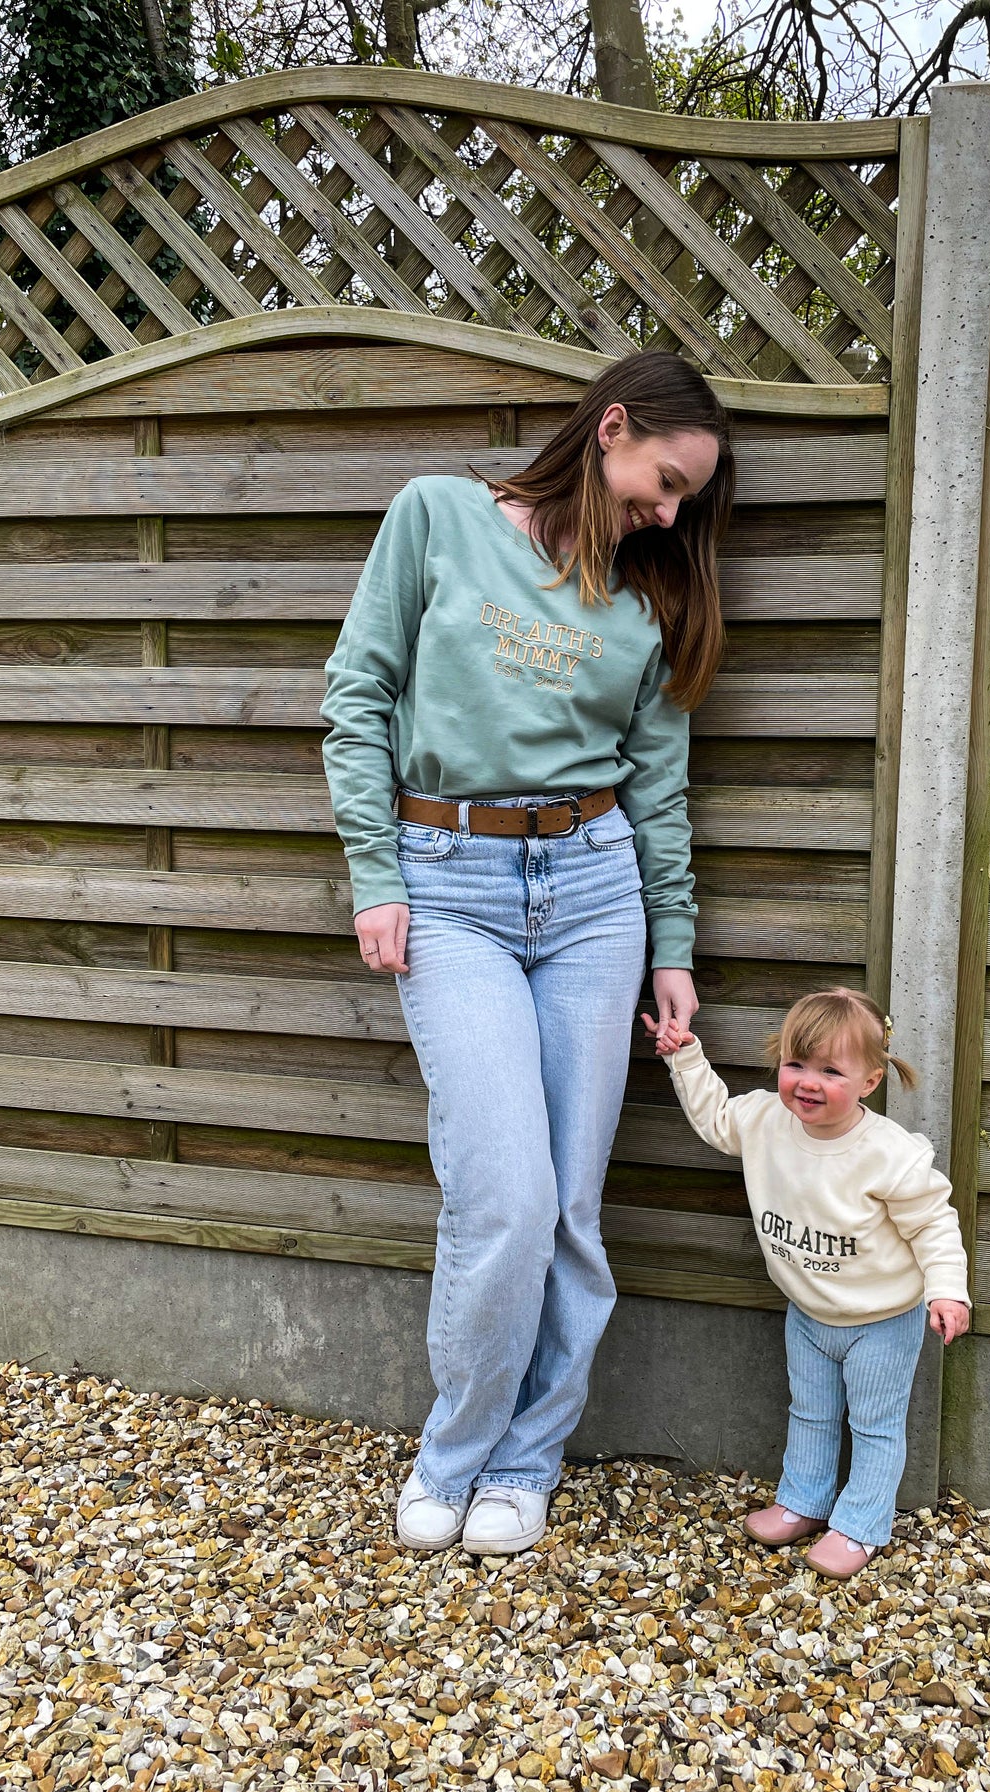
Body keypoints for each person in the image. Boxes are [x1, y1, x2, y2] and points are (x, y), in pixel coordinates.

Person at [321, 352, 734, 1556]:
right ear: (609, 429)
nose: (666, 516)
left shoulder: (648, 599)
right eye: (662, 484)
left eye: (682, 506)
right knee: (502, 1193)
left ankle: (525, 1461)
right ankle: (452, 1452)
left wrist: (674, 944)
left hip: (596, 894)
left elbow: (658, 788)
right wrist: (374, 873)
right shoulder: (435, 515)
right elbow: (358, 695)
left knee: (570, 1208)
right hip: (447, 886)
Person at [651, 987, 970, 1578]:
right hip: (808, 1312)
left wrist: (947, 1289)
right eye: (795, 1064)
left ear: (870, 1082)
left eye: (830, 1071)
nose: (807, 1082)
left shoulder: (888, 1154)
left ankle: (861, 1523)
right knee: (811, 1413)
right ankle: (804, 1500)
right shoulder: (766, 1120)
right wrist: (686, 1057)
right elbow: (717, 1118)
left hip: (882, 1320)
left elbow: (933, 1222)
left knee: (873, 1425)